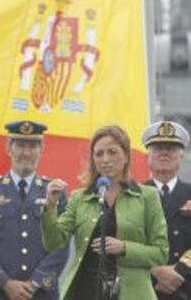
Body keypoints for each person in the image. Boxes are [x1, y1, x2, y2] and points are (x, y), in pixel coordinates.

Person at [42, 125, 169, 300]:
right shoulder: (79, 197)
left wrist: (124, 247)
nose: (106, 159)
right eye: (99, 154)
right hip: (84, 291)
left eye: (112, 152)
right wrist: (50, 206)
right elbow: (53, 243)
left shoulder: (148, 196)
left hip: (131, 294)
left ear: (126, 156)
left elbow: (161, 253)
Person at [0, 121, 69, 300]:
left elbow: (61, 246)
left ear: (41, 150)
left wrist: (35, 283)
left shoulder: (55, 193)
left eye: (32, 146)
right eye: (20, 145)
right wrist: (6, 283)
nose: (26, 152)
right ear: (9, 148)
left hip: (40, 294)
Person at [142, 120, 191, 299]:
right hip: (145, 287)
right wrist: (156, 271)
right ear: (147, 156)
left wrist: (178, 271)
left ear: (181, 155)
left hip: (186, 286)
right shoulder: (133, 195)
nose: (164, 152)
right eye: (157, 148)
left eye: (170, 148)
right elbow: (124, 239)